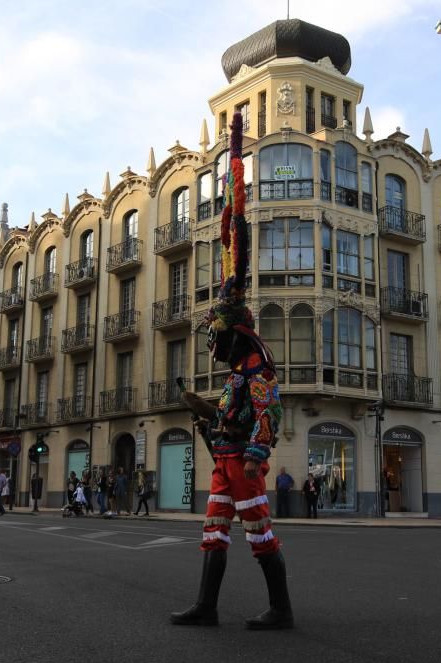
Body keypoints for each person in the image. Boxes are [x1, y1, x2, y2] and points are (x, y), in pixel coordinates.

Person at [171, 111, 292, 631]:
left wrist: (254, 456)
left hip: (241, 462)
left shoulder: (256, 371)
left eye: (216, 335)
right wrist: (196, 405)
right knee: (214, 532)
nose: (212, 343)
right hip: (224, 459)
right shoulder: (237, 374)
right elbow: (226, 411)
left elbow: (267, 418)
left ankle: (282, 611)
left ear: (235, 332)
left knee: (260, 536)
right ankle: (206, 605)